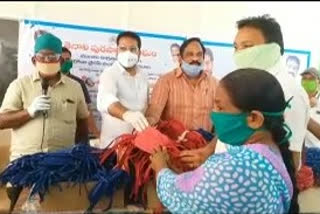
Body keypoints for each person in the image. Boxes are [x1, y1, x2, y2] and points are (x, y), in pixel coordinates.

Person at [150, 68, 299, 214]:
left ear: (254, 119)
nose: (213, 114)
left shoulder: (239, 168)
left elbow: (179, 196)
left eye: (220, 108)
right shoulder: (268, 153)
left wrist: (160, 167)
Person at [180, 14, 310, 171]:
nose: (239, 53)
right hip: (223, 172)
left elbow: (292, 159)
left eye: (247, 46)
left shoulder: (290, 92)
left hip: (248, 186)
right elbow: (230, 125)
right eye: (236, 47)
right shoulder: (243, 80)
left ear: (273, 49)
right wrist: (207, 152)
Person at [0, 33, 89, 212]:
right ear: (34, 60)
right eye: (42, 57)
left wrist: (81, 154)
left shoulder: (75, 87)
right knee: (19, 208)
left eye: (53, 57)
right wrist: (29, 112)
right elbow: (2, 121)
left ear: (60, 60)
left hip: (61, 164)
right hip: (23, 166)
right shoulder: (19, 85)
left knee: (60, 209)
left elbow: (82, 121)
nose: (47, 61)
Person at [146, 37, 218, 132]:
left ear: (203, 58)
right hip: (172, 145)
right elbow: (153, 114)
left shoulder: (215, 84)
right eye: (190, 54)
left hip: (204, 143)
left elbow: (219, 120)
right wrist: (147, 124)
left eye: (199, 55)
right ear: (180, 58)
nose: (195, 58)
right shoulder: (165, 81)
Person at [96, 31, 149, 148]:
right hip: (113, 147)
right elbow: (106, 100)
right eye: (123, 49)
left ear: (139, 52)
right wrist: (127, 114)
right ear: (117, 51)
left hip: (137, 146)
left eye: (133, 49)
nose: (128, 53)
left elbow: (147, 105)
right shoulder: (109, 74)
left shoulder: (144, 76)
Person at [61, 47, 100, 139]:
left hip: (75, 135)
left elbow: (87, 111)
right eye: (62, 60)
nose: (65, 62)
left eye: (67, 59)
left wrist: (96, 133)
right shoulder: (48, 82)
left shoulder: (78, 83)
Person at [301, 67, 320, 148]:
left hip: (316, 149)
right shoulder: (298, 98)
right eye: (304, 79)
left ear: (318, 81)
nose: (307, 82)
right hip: (300, 148)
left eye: (311, 79)